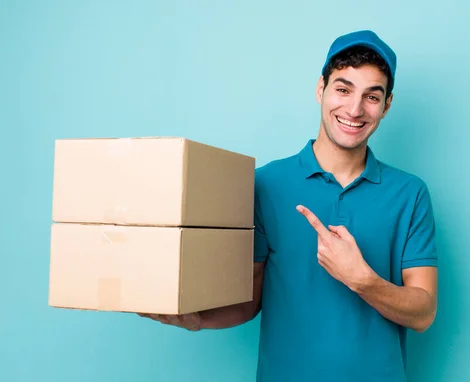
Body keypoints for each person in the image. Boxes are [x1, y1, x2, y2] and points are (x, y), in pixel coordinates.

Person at [140, 30, 438, 382]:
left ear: (386, 105)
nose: (355, 109)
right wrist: (198, 319)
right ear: (320, 89)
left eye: (371, 96)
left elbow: (423, 312)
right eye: (343, 89)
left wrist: (362, 280)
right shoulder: (265, 185)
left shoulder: (410, 194)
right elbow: (249, 300)